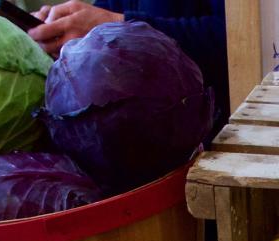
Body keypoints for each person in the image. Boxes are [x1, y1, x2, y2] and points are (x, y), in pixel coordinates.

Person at [28, 0, 228, 140]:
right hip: (134, 137)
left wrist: (117, 25)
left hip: (214, 138)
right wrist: (66, 31)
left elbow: (234, 38)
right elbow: (108, 11)